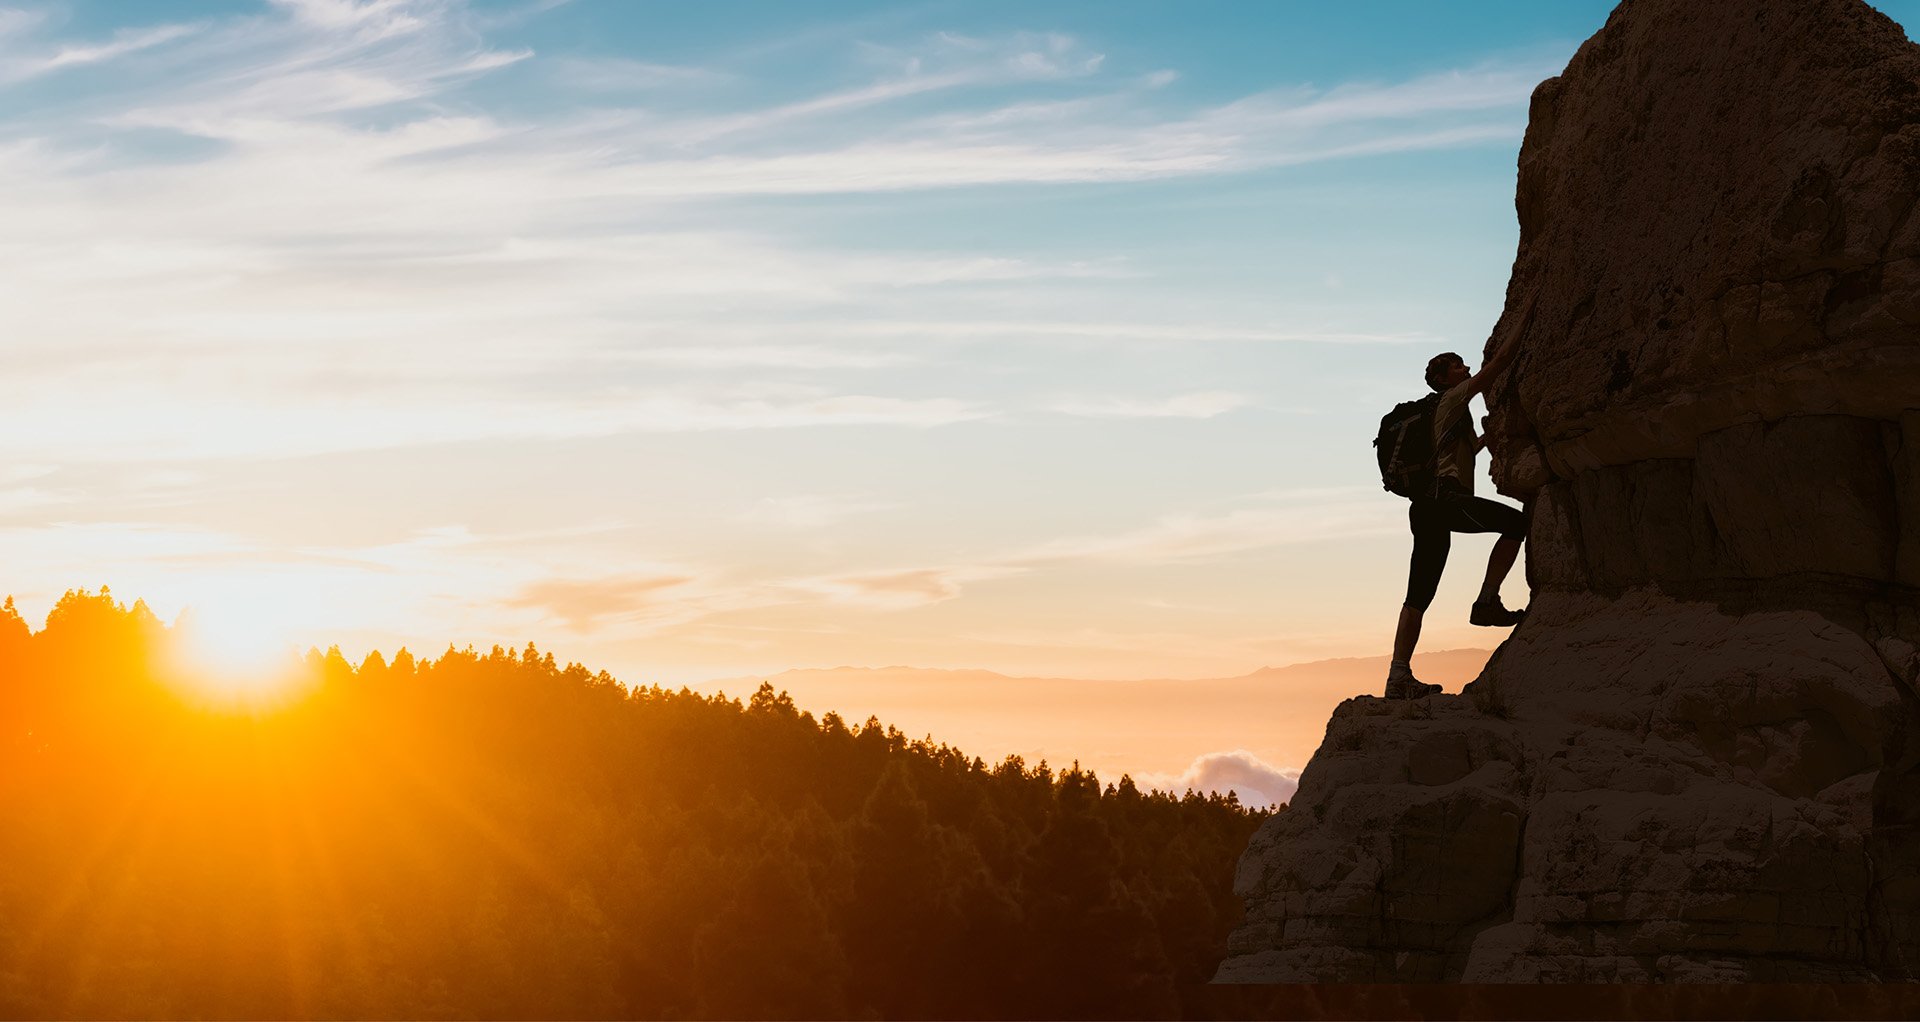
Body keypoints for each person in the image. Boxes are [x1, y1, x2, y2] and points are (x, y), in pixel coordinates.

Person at [1385, 302, 1534, 700]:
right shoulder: (1451, 401)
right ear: (1443, 379)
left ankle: (1398, 675)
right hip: (1444, 502)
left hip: (1426, 507)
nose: (1466, 370)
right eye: (1459, 366)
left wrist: (1494, 436)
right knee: (1519, 524)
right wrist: (1531, 311)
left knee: (1418, 593)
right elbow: (1500, 363)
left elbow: (1470, 450)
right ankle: (1486, 602)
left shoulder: (1449, 418)